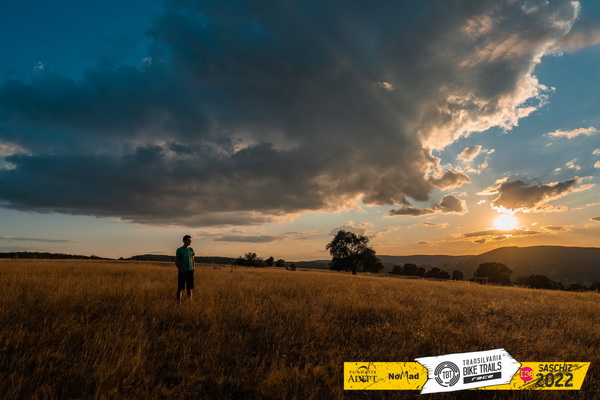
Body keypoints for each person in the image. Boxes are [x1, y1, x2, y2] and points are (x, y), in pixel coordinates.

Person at [175, 235, 195, 303]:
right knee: (180, 288)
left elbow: (193, 260)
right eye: (188, 240)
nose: (190, 241)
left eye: (190, 240)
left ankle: (189, 303)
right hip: (183, 272)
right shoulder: (179, 250)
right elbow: (176, 262)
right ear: (184, 241)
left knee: (189, 288)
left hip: (190, 271)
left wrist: (193, 268)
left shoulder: (191, 249)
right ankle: (179, 303)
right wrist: (181, 270)